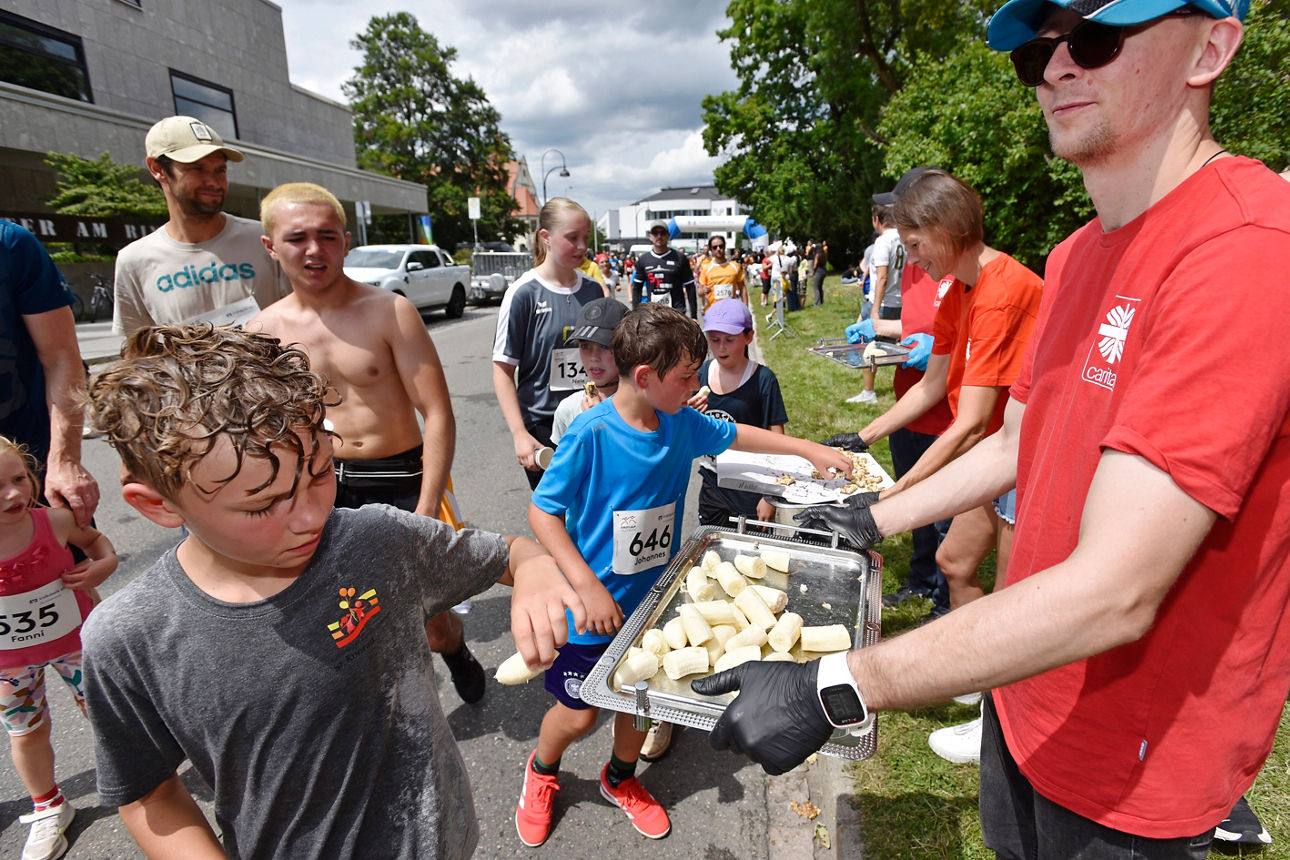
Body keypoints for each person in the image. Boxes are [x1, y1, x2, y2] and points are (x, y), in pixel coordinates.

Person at [694, 1, 1290, 856]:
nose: (1056, 68)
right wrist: (871, 517)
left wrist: (836, 684)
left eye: (1094, 38)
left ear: (1212, 47)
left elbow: (1116, 590)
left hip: (1136, 752)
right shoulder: (1077, 253)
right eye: (1037, 52)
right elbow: (1017, 442)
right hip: (1022, 684)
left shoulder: (1247, 248)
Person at [82, 324, 583, 859]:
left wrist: (536, 570)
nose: (311, 516)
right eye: (262, 504)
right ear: (158, 504)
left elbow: (510, 553)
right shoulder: (127, 641)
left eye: (321, 472)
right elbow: (148, 793)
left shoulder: (377, 540)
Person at [516, 304, 852, 847]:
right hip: (591, 610)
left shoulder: (678, 421)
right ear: (645, 378)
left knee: (641, 705)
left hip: (655, 602)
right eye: (687, 376)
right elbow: (542, 513)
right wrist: (585, 585)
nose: (698, 386)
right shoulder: (590, 434)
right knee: (578, 717)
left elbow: (735, 433)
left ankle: (619, 780)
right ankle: (542, 769)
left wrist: (808, 450)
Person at [248, 182, 484, 705]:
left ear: (346, 241)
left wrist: (426, 506)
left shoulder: (389, 311)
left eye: (327, 237)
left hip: (401, 477)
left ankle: (455, 652)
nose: (314, 250)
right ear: (271, 247)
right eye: (297, 238)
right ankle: (390, 710)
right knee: (346, 614)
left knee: (431, 617)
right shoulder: (261, 332)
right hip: (323, 489)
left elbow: (437, 413)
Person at [0, 436, 116, 860]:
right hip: (10, 665)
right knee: (26, 734)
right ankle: (49, 806)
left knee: (106, 711)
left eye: (18, 478)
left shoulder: (55, 522)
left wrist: (101, 566)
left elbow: (99, 545)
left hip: (78, 643)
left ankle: (144, 777)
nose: (13, 493)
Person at [113, 116, 290, 335]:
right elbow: (138, 352)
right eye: (196, 168)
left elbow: (306, 319)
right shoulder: (134, 261)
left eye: (220, 170)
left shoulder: (265, 239)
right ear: (157, 168)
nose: (213, 182)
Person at [493, 198, 605, 490]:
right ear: (546, 237)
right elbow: (503, 370)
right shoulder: (522, 293)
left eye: (585, 237)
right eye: (572, 238)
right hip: (542, 424)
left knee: (596, 509)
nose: (582, 246)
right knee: (556, 515)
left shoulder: (594, 290)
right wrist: (519, 433)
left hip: (591, 416)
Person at [0, 221, 98, 528]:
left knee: (66, 568)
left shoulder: (10, 244)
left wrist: (65, 460)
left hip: (29, 469)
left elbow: (60, 357)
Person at [694, 299, 786, 526]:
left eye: (729, 340)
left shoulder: (763, 380)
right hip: (712, 482)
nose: (721, 347)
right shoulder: (701, 373)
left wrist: (771, 495)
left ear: (748, 337)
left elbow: (778, 439)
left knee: (753, 557)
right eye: (714, 340)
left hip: (751, 487)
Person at [550, 298, 628, 444]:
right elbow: (566, 465)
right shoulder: (568, 409)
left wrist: (603, 424)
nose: (593, 357)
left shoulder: (645, 404)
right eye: (585, 346)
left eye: (605, 346)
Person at [630, 221, 697, 318]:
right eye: (655, 233)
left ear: (668, 235)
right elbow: (637, 289)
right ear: (650, 236)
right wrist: (635, 315)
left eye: (662, 233)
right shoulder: (644, 260)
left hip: (676, 313)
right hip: (652, 314)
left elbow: (690, 287)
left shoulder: (680, 258)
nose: (659, 236)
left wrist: (694, 316)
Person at [697, 235, 747, 312]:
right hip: (713, 312)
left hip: (731, 311)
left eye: (721, 246)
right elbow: (699, 292)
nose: (718, 249)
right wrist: (703, 290)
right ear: (711, 249)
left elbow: (742, 288)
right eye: (715, 247)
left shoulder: (735, 266)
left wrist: (746, 309)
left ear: (725, 246)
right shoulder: (706, 268)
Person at [809, 240, 828, 306]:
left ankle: (817, 302)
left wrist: (813, 271)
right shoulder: (824, 254)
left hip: (818, 271)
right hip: (824, 271)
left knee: (816, 287)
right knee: (820, 287)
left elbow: (815, 265)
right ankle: (821, 301)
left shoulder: (817, 255)